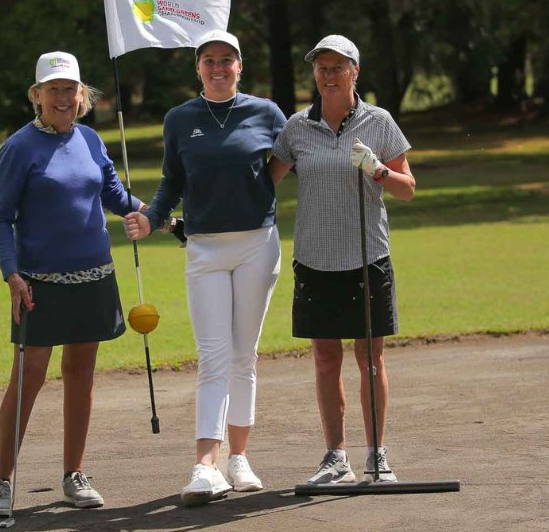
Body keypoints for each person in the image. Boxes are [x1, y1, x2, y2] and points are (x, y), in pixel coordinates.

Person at [124, 30, 286, 506]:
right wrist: (151, 218)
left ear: (240, 66)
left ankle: (240, 459)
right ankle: (205, 466)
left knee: (244, 355)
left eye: (227, 60)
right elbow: (171, 181)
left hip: (258, 244)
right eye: (209, 60)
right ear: (198, 68)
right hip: (204, 249)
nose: (218, 68)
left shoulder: (267, 113)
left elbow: (287, 163)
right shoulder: (180, 119)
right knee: (213, 356)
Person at [0, 51, 144, 515]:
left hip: (94, 275)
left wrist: (154, 215)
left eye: (69, 89)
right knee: (28, 377)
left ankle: (74, 474)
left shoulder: (91, 140)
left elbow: (114, 194)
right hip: (38, 282)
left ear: (82, 95)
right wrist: (11, 275)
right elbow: (0, 218)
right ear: (37, 96)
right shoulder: (18, 148)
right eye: (52, 89)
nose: (62, 97)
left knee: (81, 374)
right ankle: (1, 481)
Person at [268, 35, 416, 485]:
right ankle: (336, 457)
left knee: (370, 358)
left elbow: (407, 188)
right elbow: (265, 184)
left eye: (337, 67)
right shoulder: (297, 127)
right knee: (324, 359)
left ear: (356, 73)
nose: (328, 75)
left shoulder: (379, 121)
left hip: (368, 257)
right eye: (322, 68)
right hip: (314, 260)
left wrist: (380, 170)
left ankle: (376, 455)